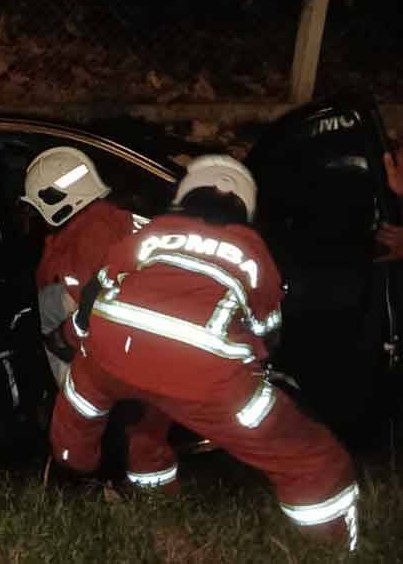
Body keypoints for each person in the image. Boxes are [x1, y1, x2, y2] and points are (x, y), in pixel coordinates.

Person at [50, 155, 359, 550]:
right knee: (313, 457)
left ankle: (80, 481)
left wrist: (67, 337)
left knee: (105, 408)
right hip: (204, 377)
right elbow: (267, 332)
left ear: (183, 197)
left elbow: (93, 298)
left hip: (110, 355)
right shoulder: (254, 252)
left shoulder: (149, 234)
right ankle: (331, 547)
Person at [21, 147, 142, 385]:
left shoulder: (96, 232)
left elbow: (88, 304)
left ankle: (68, 394)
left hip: (108, 339)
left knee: (34, 313)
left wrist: (62, 340)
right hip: (123, 335)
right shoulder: (100, 220)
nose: (33, 214)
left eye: (37, 207)